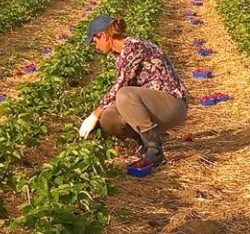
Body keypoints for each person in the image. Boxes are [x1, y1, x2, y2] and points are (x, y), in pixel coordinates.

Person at [78, 15, 189, 166]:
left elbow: (121, 86)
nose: (95, 47)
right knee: (109, 117)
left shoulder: (134, 47)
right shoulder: (119, 53)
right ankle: (144, 143)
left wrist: (94, 115)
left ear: (103, 36)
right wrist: (100, 118)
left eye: (94, 41)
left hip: (172, 105)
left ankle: (154, 150)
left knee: (124, 95)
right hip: (153, 104)